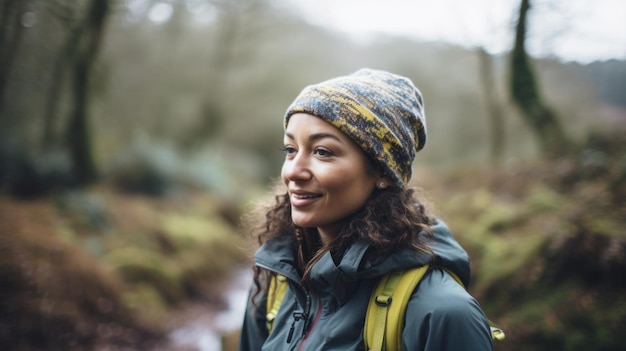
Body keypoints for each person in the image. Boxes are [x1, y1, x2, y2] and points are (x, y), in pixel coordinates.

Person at [238, 68, 493, 351]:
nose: (293, 171)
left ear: (382, 172)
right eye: (290, 149)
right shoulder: (277, 284)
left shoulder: (443, 314)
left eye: (323, 151)